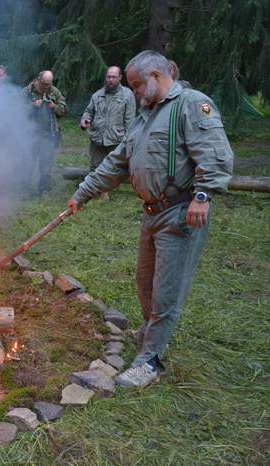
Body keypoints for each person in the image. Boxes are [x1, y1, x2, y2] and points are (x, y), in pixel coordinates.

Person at [68, 50, 233, 388]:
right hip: (152, 213)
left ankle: (151, 361)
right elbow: (118, 161)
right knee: (145, 283)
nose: (134, 92)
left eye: (137, 85)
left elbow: (215, 152)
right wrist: (83, 192)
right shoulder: (146, 114)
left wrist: (203, 195)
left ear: (157, 75)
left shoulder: (192, 104)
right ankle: (150, 332)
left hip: (181, 212)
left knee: (166, 291)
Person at [80, 66, 136, 181]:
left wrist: (128, 141)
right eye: (108, 77)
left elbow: (130, 120)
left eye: (114, 77)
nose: (110, 80)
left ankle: (107, 188)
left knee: (113, 168)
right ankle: (93, 188)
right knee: (95, 167)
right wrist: (84, 121)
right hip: (97, 138)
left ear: (120, 77)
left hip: (116, 139)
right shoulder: (97, 95)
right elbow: (88, 112)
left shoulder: (127, 95)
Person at [24, 70, 67, 195]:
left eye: (49, 84)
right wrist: (33, 106)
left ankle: (44, 190)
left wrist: (55, 107)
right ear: (39, 80)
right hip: (30, 133)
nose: (46, 87)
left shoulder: (54, 92)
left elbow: (63, 109)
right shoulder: (28, 91)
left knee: (46, 163)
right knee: (27, 162)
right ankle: (23, 189)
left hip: (48, 134)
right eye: (44, 84)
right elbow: (17, 109)